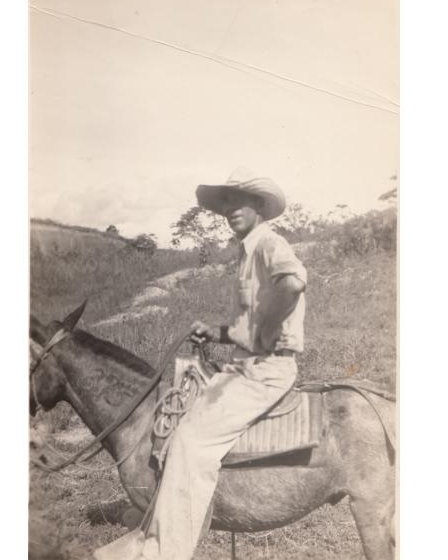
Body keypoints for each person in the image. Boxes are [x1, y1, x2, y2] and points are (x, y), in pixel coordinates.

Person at [95, 167, 307, 560]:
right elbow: (249, 325)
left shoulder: (268, 244)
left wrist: (265, 332)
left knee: (191, 441)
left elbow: (292, 284)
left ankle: (165, 551)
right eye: (225, 202)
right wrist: (217, 332)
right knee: (179, 412)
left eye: (238, 201)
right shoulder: (246, 254)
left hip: (268, 371)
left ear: (259, 206)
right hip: (248, 367)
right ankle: (156, 523)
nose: (229, 209)